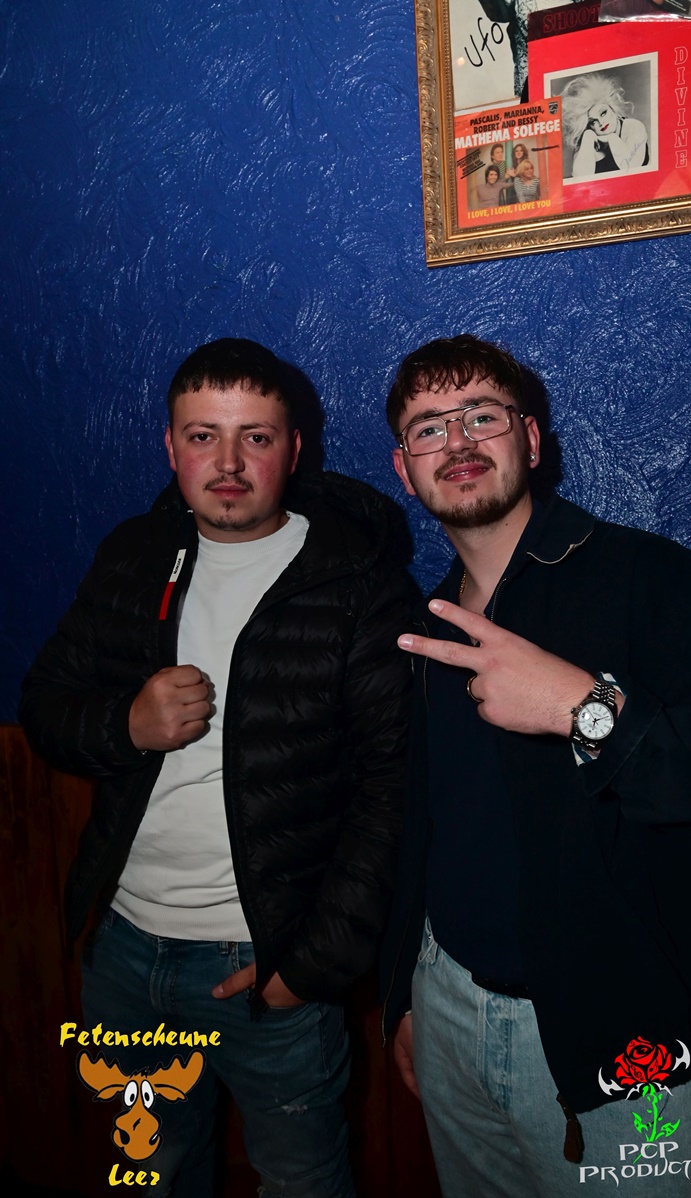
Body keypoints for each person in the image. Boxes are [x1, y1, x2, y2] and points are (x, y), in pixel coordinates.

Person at [379, 334, 691, 1197]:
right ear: (404, 468)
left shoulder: (663, 585)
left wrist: (586, 707)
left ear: (531, 440)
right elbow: (422, 826)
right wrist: (406, 996)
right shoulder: (427, 625)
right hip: (449, 1015)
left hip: (628, 1051)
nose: (456, 441)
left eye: (481, 416)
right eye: (429, 428)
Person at [20, 338, 414, 1198]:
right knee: (148, 1177)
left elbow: (392, 792)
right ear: (171, 447)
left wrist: (310, 966)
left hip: (262, 964)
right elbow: (45, 706)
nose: (228, 464)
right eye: (204, 436)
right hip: (123, 951)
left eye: (255, 438)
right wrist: (127, 724)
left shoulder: (355, 582)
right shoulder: (133, 555)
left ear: (293, 449)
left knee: (304, 1184)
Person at [561, 73, 649, 176]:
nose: (601, 123)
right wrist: (588, 137)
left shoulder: (633, 127)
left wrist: (611, 138)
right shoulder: (589, 138)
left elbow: (630, 167)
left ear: (613, 108)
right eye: (593, 121)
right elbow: (580, 177)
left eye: (603, 113)